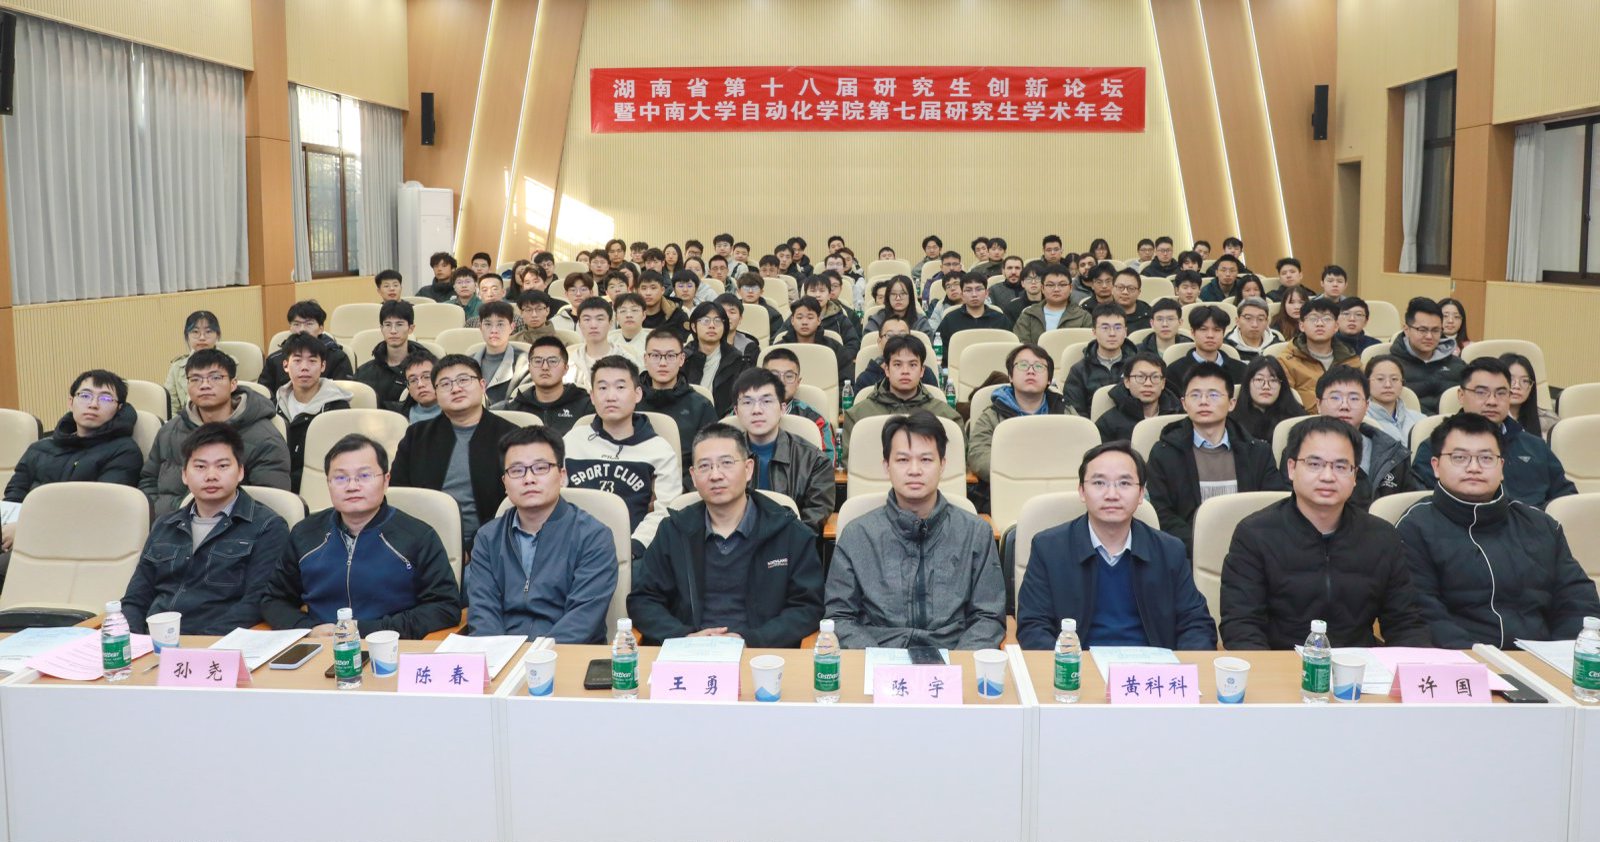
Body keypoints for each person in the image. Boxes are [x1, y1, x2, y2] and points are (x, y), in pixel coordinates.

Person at [1220, 416, 1431, 649]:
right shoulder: (1255, 534)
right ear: (1291, 468)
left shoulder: (1381, 536)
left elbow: (1405, 622)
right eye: (1314, 464)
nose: (1328, 476)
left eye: (1341, 467)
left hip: (1358, 664)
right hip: (1281, 661)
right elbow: (1242, 626)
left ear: (1354, 475)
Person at [1396, 412, 1600, 648]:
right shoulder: (1415, 526)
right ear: (1436, 466)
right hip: (1460, 661)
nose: (1474, 467)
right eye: (1460, 457)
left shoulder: (1541, 525)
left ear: (1501, 467)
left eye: (1486, 458)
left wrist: (1564, 654)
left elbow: (1577, 602)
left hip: (1539, 662)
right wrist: (1480, 660)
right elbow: (1424, 614)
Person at [625, 422, 823, 647]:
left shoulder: (788, 531)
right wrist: (684, 637)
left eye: (726, 463)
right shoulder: (673, 531)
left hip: (761, 655)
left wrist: (751, 640)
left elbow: (808, 607)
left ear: (748, 469)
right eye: (705, 466)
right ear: (693, 476)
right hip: (689, 653)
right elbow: (643, 600)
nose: (715, 475)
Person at [825, 411, 1005, 649]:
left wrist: (959, 663)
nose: (914, 470)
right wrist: (877, 661)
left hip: (952, 657)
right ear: (886, 466)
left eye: (926, 460)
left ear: (942, 465)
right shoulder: (858, 535)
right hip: (878, 657)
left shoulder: (975, 533)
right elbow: (839, 617)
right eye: (902, 460)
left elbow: (989, 616)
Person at [1017, 441, 1217, 650]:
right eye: (1099, 483)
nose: (1112, 495)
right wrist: (1068, 664)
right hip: (1076, 666)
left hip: (1152, 667)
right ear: (1082, 491)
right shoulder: (1048, 549)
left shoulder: (1169, 551)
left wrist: (1182, 664)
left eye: (1124, 483)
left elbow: (1196, 624)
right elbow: (1033, 626)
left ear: (1141, 493)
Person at [262, 434, 461, 638]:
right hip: (321, 646)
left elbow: (445, 607)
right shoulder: (305, 534)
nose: (352, 486)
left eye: (364, 476)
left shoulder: (418, 536)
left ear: (386, 481)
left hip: (390, 647)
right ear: (328, 483)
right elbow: (273, 600)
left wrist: (368, 630)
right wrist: (308, 629)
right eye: (340, 478)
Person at [119, 423, 291, 635]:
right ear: (184, 474)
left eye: (222, 466)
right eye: (200, 467)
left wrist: (202, 645)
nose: (211, 476)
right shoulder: (164, 526)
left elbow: (256, 603)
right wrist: (131, 639)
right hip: (154, 642)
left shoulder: (267, 527)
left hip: (218, 643)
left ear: (240, 472)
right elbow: (135, 599)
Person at [465, 424, 618, 642]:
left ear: (562, 475)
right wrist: (498, 653)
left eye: (540, 468)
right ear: (505, 483)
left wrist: (537, 658)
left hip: (568, 653)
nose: (529, 479)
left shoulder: (593, 536)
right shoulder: (488, 538)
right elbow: (483, 614)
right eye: (517, 470)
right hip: (503, 655)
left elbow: (582, 621)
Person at [1146, 363, 1281, 552]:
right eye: (1195, 395)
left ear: (1232, 403)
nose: (1204, 401)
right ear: (1184, 403)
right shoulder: (1164, 453)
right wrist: (1202, 545)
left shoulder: (1258, 452)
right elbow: (1161, 513)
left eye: (1214, 395)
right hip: (1188, 552)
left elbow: (1273, 506)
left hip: (1251, 550)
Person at [390, 354, 519, 551]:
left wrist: (474, 547)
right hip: (424, 543)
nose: (456, 388)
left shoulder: (512, 437)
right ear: (436, 392)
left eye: (463, 380)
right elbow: (400, 494)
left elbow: (519, 502)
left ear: (482, 385)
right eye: (445, 384)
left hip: (495, 544)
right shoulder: (417, 436)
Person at [140, 349, 291, 516]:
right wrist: (159, 519)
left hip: (232, 527)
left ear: (233, 384)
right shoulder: (169, 431)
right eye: (195, 379)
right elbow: (148, 481)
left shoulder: (264, 437)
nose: (204, 385)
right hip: (167, 525)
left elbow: (269, 501)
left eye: (215, 377)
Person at [1412, 358, 1577, 508]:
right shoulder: (1436, 447)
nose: (1492, 401)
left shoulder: (1535, 446)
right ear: (1461, 396)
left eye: (1501, 393)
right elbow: (1429, 506)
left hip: (1534, 526)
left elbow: (1565, 498)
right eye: (1481, 392)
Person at [564, 355, 683, 558]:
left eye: (620, 387)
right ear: (592, 396)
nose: (611, 396)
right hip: (571, 549)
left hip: (633, 553)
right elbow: (553, 497)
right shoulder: (572, 441)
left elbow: (666, 509)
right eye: (602, 388)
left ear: (637, 394)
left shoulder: (659, 449)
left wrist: (634, 546)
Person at [5, 370, 143, 505]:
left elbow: (102, 505)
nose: (93, 404)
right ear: (70, 403)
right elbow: (13, 499)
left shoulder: (124, 452)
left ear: (119, 408)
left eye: (105, 399)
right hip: (25, 519)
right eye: (85, 395)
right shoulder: (39, 449)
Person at [730, 370, 834, 534]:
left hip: (792, 545)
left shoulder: (814, 461)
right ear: (736, 411)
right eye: (747, 402)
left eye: (766, 401)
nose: (757, 410)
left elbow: (812, 521)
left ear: (783, 408)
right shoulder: (720, 459)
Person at [840, 334, 960, 462]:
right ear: (886, 369)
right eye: (897, 364)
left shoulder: (946, 416)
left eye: (912, 365)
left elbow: (955, 463)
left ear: (922, 371)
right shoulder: (858, 415)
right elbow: (850, 463)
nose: (905, 371)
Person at [1313, 366, 1421, 508]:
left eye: (1354, 398)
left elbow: (1410, 505)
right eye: (1335, 398)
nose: (1344, 406)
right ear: (1318, 404)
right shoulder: (1300, 449)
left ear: (1367, 405)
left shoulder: (1393, 452)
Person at [968, 344, 1069, 482]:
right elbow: (978, 455)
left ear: (1049, 380)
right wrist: (1019, 472)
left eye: (1039, 366)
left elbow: (1083, 450)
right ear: (1010, 376)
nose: (1031, 371)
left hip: (1057, 485)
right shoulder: (991, 416)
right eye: (1023, 365)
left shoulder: (1065, 413)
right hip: (1008, 485)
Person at [273, 333, 353, 493]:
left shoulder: (337, 407)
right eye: (297, 360)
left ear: (323, 366)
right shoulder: (274, 406)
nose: (304, 367)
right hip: (282, 485)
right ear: (285, 365)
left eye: (312, 361)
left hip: (323, 486)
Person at [639, 327, 717, 472]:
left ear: (681, 359)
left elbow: (710, 459)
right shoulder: (630, 401)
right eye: (655, 355)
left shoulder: (701, 405)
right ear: (645, 359)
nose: (663, 363)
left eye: (670, 356)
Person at [1278, 297, 1360, 412]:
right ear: (1301, 326)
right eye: (1313, 319)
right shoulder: (1286, 362)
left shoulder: (1351, 361)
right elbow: (1284, 404)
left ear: (1336, 326)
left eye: (1327, 319)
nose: (1320, 324)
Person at [259, 301, 353, 396]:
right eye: (296, 324)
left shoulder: (337, 357)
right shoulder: (275, 359)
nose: (302, 329)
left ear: (321, 328)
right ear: (290, 328)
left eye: (309, 324)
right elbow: (263, 395)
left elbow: (343, 394)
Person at [763, 348, 839, 467]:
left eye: (789, 376)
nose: (781, 382)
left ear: (798, 382)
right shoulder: (744, 412)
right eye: (774, 375)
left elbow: (827, 465)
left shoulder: (815, 420)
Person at [1388, 297, 1464, 414]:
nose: (1429, 336)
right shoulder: (1390, 366)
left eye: (1435, 330)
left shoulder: (1458, 365)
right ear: (1406, 329)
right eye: (1422, 330)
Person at [506, 335, 593, 436]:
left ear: (566, 368)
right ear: (529, 368)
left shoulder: (586, 407)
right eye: (538, 361)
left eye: (552, 361)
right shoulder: (514, 409)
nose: (545, 367)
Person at [355, 300, 431, 414]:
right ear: (381, 328)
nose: (393, 331)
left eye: (399, 324)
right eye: (388, 325)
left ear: (411, 328)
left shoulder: (428, 368)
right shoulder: (364, 373)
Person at [1062, 304, 1135, 416]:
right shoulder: (1079, 371)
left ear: (1125, 331)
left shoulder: (1138, 366)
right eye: (1105, 328)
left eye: (1118, 328)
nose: (1112, 333)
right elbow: (1076, 412)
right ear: (1094, 332)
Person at [682, 301, 751, 416]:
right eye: (705, 321)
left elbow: (741, 399)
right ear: (694, 327)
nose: (712, 326)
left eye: (718, 321)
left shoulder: (738, 361)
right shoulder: (682, 359)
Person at [1096, 353, 1181, 443]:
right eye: (1140, 377)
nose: (1148, 383)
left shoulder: (1178, 416)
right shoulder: (1108, 423)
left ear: (1163, 383)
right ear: (1127, 381)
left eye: (1155, 377)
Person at [1164, 305, 1246, 396]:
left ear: (1223, 333)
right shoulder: (1174, 371)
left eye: (1216, 330)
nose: (1210, 335)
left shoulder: (1241, 370)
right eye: (1203, 329)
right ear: (1192, 332)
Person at [935, 272, 1012, 366]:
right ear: (962, 295)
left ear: (986, 293)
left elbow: (1010, 351)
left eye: (979, 289)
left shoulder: (1000, 319)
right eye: (968, 290)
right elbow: (940, 351)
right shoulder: (950, 320)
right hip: (959, 369)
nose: (974, 294)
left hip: (995, 369)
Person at [567, 297, 640, 391]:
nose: (593, 325)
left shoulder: (627, 359)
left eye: (600, 319)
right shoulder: (570, 361)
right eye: (587, 319)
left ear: (610, 323)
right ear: (579, 324)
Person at [773, 296, 849, 384]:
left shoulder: (834, 348)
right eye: (799, 318)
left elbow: (846, 382)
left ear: (818, 320)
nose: (804, 322)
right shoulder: (779, 349)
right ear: (792, 320)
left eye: (810, 318)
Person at [854, 315, 938, 394]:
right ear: (879, 342)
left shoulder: (926, 374)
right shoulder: (865, 379)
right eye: (890, 335)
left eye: (902, 335)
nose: (896, 340)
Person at [1229, 355, 1305, 441]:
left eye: (1273, 380)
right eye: (1259, 380)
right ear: (1247, 384)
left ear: (1282, 385)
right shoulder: (1232, 419)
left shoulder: (1296, 418)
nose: (1266, 387)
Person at [1013, 264, 1093, 345]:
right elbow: (1020, 345)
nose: (1056, 289)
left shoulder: (1083, 317)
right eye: (1050, 285)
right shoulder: (1028, 315)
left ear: (1070, 288)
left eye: (1062, 285)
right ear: (1042, 288)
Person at [471, 300, 530, 406]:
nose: (494, 330)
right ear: (480, 328)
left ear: (512, 327)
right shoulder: (468, 362)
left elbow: (522, 402)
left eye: (500, 324)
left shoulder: (525, 363)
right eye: (488, 324)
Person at [164, 311, 221, 418]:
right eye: (195, 332)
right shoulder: (177, 367)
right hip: (185, 422)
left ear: (217, 335)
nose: (202, 337)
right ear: (187, 336)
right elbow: (170, 407)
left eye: (208, 331)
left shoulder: (229, 364)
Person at [1364, 355, 1425, 445]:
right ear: (1367, 382)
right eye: (1380, 379)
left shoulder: (1420, 420)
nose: (1388, 385)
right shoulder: (1362, 421)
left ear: (1402, 383)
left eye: (1394, 379)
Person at [1503, 352, 1559, 441]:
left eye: (1525, 381)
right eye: (1510, 379)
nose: (1517, 386)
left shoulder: (1549, 421)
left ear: (1531, 386)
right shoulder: (1485, 419)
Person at [1223, 296, 1283, 362]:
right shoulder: (1226, 349)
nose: (1255, 324)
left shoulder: (1278, 347)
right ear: (1237, 321)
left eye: (1260, 319)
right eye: (1248, 318)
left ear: (1267, 322)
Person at [715, 293, 760, 366]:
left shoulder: (749, 347)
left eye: (732, 312)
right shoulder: (700, 343)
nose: (727, 316)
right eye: (722, 311)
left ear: (740, 319)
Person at [399, 351, 441, 424]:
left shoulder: (458, 412)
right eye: (413, 380)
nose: (420, 385)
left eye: (426, 377)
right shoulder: (399, 417)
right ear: (408, 388)